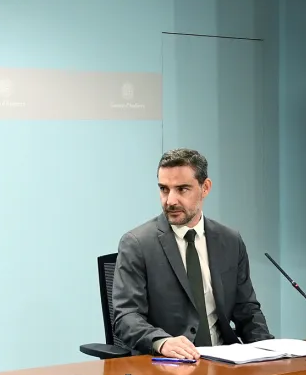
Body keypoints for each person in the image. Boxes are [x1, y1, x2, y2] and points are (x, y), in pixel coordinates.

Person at [112, 148, 272, 358]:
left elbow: (247, 310)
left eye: (182, 189)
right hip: (169, 365)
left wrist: (271, 352)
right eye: (164, 189)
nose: (170, 200)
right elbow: (126, 317)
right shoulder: (137, 244)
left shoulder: (230, 241)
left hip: (225, 361)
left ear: (205, 188)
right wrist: (161, 341)